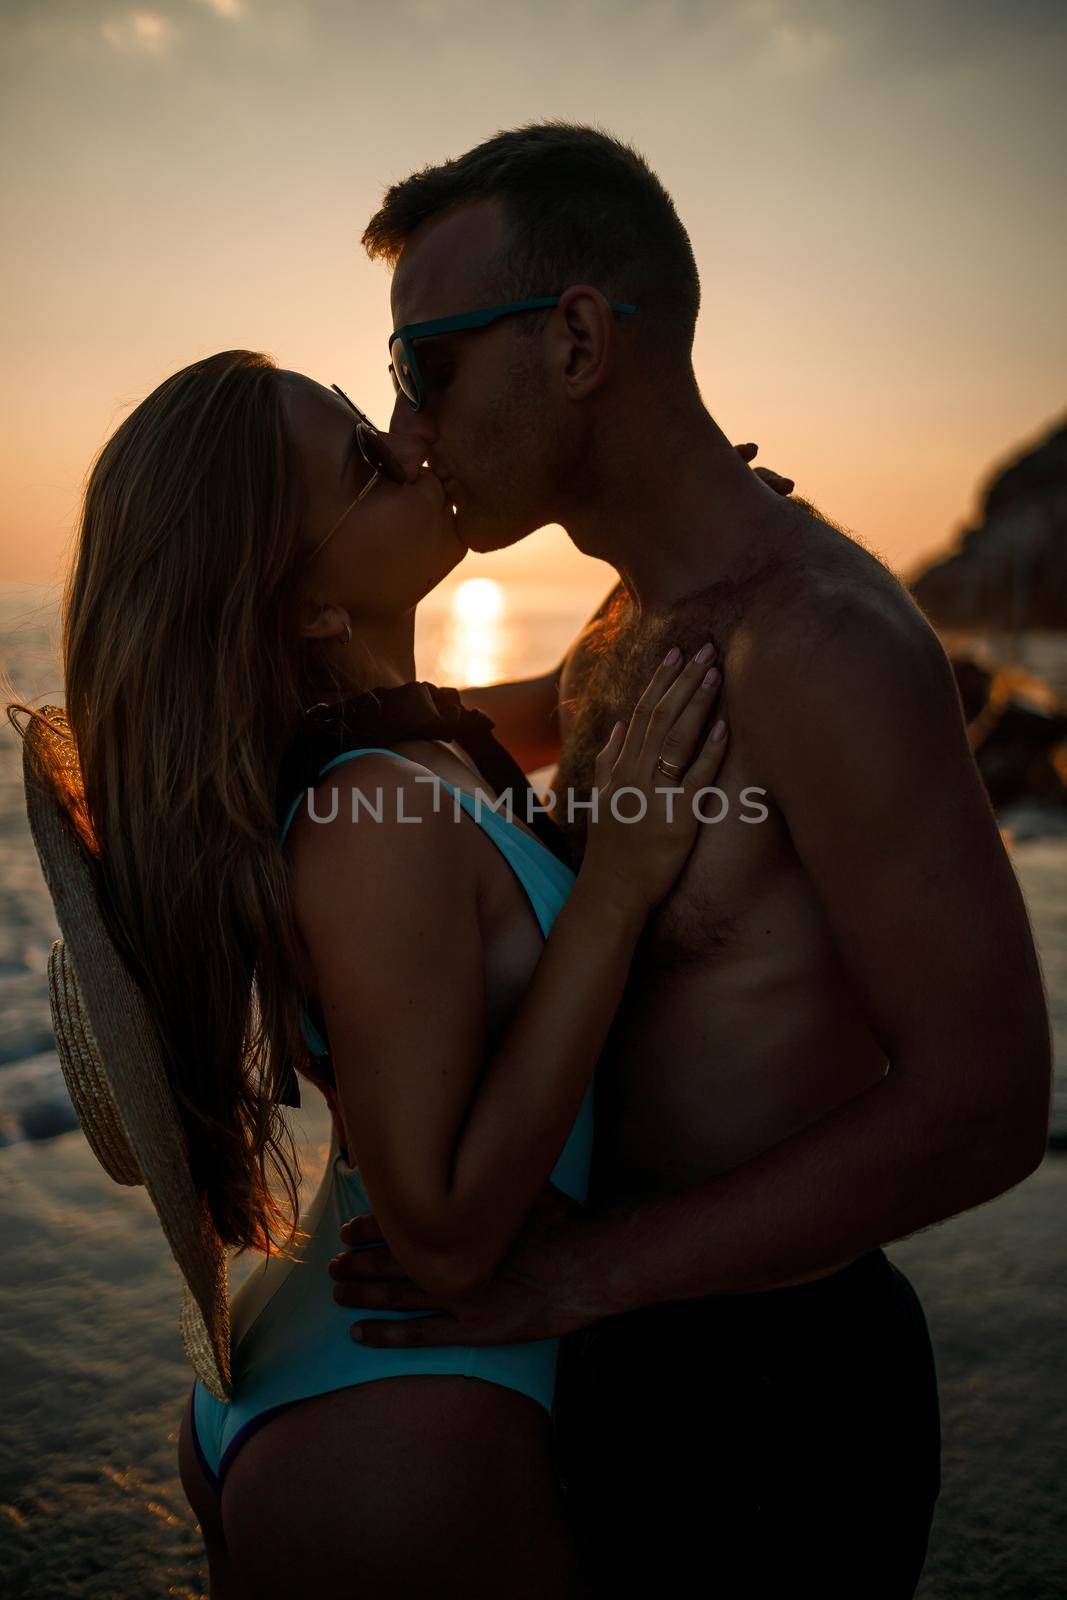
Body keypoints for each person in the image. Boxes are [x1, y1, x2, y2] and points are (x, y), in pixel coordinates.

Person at [325, 123, 1053, 1596]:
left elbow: (984, 1106)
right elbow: (420, 754)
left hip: (770, 1407)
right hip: (613, 1358)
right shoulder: (631, 620)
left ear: (579, 338)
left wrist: (578, 1273)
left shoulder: (818, 648)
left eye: (424, 370)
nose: (409, 432)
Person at [10, 346, 753, 1598]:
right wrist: (615, 891)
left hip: (343, 1376)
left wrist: (677, 545)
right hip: (400, 1417)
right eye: (363, 458)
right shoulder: (371, 821)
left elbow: (574, 698)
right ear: (304, 604)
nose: (413, 444)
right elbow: (451, 1235)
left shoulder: (403, 749)